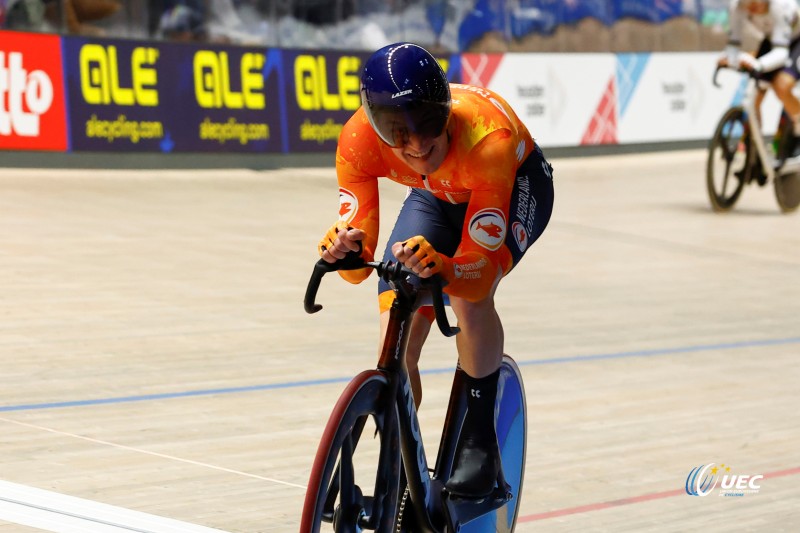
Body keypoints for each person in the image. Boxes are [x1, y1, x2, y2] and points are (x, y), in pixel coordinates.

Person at [317, 42, 554, 498]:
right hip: (436, 196)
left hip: (513, 184)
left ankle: (479, 441)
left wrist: (444, 267)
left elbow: (477, 272)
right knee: (396, 314)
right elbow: (359, 266)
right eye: (397, 132)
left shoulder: (488, 138)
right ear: (372, 125)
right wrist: (344, 250)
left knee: (468, 298)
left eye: (429, 123)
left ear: (447, 111)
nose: (418, 144)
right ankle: (400, 455)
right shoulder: (357, 143)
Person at [718, 0, 800, 153]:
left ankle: (798, 124)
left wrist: (758, 64)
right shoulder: (737, 6)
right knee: (753, 99)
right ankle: (755, 147)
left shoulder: (781, 6)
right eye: (747, 4)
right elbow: (733, 43)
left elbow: (781, 54)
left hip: (796, 40)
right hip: (771, 39)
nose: (752, 8)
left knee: (781, 85)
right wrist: (729, 58)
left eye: (756, 3)